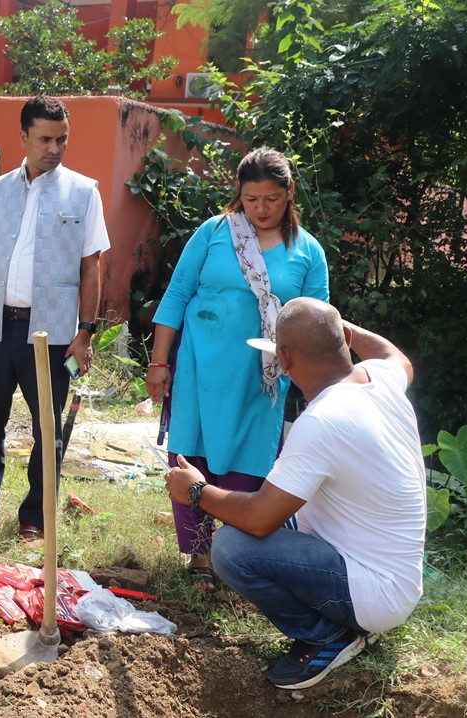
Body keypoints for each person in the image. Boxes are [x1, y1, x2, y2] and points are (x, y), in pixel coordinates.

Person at [164, 297, 425, 690]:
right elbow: (397, 356)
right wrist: (335, 328)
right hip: (391, 576)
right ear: (343, 342)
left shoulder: (322, 420)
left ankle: (327, 636)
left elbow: (258, 518)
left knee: (232, 548)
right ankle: (343, 623)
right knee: (268, 506)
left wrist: (197, 491)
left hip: (373, 591)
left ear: (284, 359)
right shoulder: (381, 379)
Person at [145, 147, 329, 592]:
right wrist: (158, 361)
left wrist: (307, 376)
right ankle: (200, 555)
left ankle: (239, 552)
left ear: (290, 194)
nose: (260, 210)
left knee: (250, 461)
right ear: (238, 196)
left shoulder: (307, 251)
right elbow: (177, 296)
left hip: (262, 380)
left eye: (271, 199)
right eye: (250, 200)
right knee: (194, 452)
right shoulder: (213, 233)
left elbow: (318, 318)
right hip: (198, 369)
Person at [0, 95, 110, 542]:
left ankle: (36, 519)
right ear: (22, 136)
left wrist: (85, 332)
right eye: (45, 138)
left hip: (53, 333)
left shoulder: (84, 193)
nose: (54, 148)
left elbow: (91, 267)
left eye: (62, 139)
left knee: (48, 425)